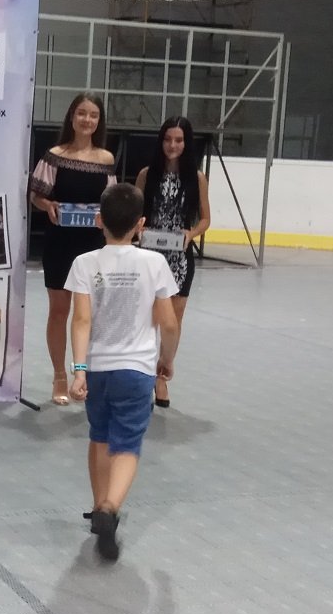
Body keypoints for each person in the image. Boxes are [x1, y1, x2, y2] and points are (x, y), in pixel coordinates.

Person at [65, 184, 180, 561]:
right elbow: (169, 323)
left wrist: (79, 370)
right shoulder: (155, 263)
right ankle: (110, 507)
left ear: (99, 220)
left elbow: (81, 320)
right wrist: (167, 360)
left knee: (99, 435)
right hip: (137, 370)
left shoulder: (84, 263)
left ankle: (98, 502)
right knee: (127, 443)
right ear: (141, 225)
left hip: (98, 369)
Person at [29, 92, 116, 405]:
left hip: (93, 247)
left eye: (93, 115)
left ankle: (85, 374)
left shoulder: (106, 160)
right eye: (82, 113)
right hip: (60, 244)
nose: (87, 120)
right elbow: (35, 195)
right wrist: (47, 205)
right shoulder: (54, 155)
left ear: (99, 121)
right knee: (59, 311)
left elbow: (111, 201)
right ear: (71, 116)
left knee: (90, 315)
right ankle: (59, 375)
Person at [135, 116, 210, 408]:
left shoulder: (197, 178)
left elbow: (205, 219)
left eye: (179, 140)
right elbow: (136, 213)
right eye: (168, 139)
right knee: (145, 316)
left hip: (180, 257)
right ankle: (140, 373)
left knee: (173, 320)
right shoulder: (146, 174)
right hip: (149, 256)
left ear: (186, 143)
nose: (173, 145)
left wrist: (191, 233)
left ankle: (162, 375)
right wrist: (138, 229)